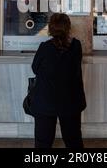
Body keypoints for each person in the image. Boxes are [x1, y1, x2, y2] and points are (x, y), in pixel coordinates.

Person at [30, 13, 86, 148]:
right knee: (73, 141)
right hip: (70, 101)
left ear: (50, 29)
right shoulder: (76, 46)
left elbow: (34, 68)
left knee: (43, 143)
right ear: (68, 28)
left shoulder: (44, 47)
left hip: (45, 102)